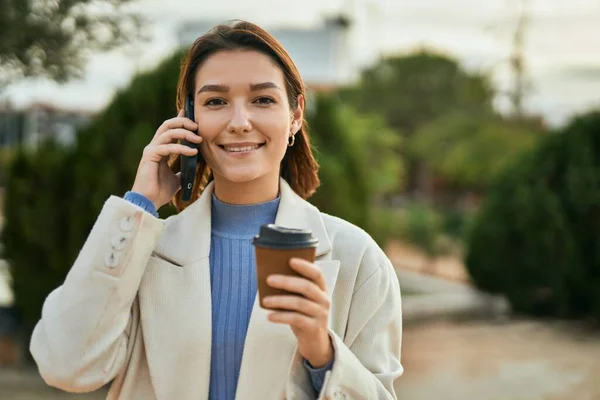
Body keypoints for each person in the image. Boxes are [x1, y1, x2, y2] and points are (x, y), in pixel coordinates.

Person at [29, 20, 403, 399]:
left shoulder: (358, 258)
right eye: (215, 101)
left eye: (262, 99)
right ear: (189, 119)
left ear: (295, 115)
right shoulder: (144, 250)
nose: (239, 122)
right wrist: (139, 204)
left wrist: (322, 353)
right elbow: (65, 365)